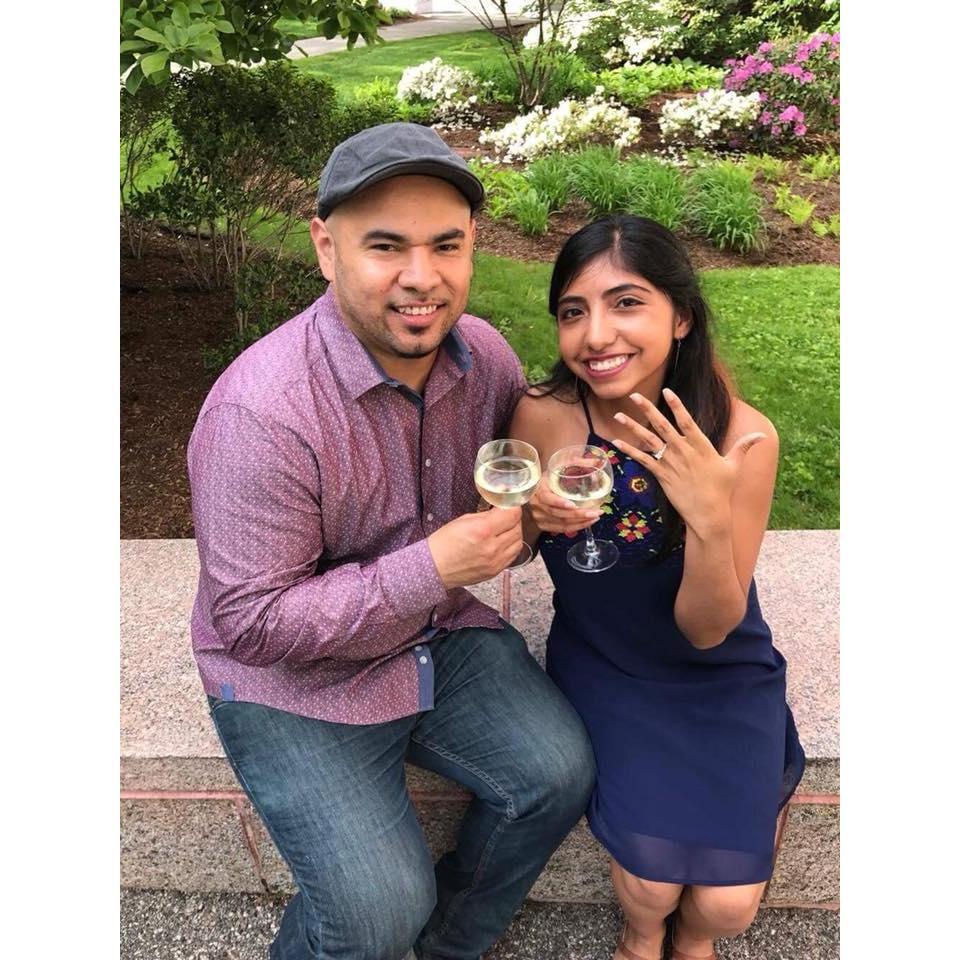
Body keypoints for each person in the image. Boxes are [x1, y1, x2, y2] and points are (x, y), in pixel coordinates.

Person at [186, 123, 596, 960]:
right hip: (292, 685)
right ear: (325, 247)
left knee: (556, 775)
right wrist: (435, 567)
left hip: (434, 635)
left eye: (446, 244)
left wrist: (531, 520)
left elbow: (504, 521)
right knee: (375, 911)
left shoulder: (483, 356)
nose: (422, 277)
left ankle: (446, 945)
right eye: (385, 246)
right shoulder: (258, 414)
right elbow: (254, 624)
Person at [510, 215, 805, 960]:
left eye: (626, 302)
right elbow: (506, 550)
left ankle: (694, 943)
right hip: (609, 662)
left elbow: (710, 627)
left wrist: (708, 518)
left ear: (681, 316)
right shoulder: (545, 418)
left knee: (729, 907)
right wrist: (528, 521)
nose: (596, 334)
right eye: (573, 311)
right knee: (647, 888)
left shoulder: (741, 441)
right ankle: (642, 939)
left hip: (717, 670)